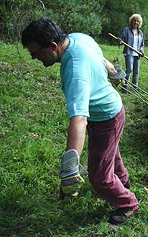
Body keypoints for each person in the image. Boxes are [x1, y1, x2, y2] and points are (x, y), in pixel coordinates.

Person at [21, 17, 138, 225]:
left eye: (35, 52)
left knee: (99, 176)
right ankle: (123, 180)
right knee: (110, 153)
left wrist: (69, 168)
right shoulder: (78, 38)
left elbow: (79, 119)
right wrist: (114, 72)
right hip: (111, 111)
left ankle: (127, 203)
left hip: (105, 118)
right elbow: (101, 59)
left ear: (53, 46)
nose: (33, 57)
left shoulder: (75, 71)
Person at [120, 14, 144, 92]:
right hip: (129, 53)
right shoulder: (127, 30)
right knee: (129, 70)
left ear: (139, 23)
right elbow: (122, 39)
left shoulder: (140, 33)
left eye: (137, 21)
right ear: (131, 21)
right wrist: (120, 41)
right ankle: (124, 88)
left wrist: (141, 50)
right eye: (134, 20)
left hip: (137, 55)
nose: (136, 22)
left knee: (136, 71)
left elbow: (141, 44)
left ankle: (134, 88)